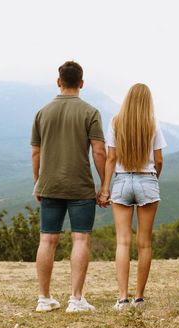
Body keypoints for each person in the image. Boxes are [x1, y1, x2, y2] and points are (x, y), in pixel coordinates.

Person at [31, 61, 106, 313]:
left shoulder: (42, 112)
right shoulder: (90, 112)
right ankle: (75, 299)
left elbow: (35, 154)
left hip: (50, 184)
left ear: (58, 81)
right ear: (82, 83)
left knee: (47, 240)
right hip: (80, 186)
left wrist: (37, 182)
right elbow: (98, 151)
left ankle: (44, 298)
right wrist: (104, 183)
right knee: (81, 239)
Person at [99, 83, 167, 309]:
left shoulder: (115, 122)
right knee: (144, 244)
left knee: (123, 242)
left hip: (121, 180)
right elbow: (158, 160)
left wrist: (106, 189)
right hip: (146, 179)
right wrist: (152, 179)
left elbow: (110, 159)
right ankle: (139, 297)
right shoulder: (152, 124)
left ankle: (121, 298)